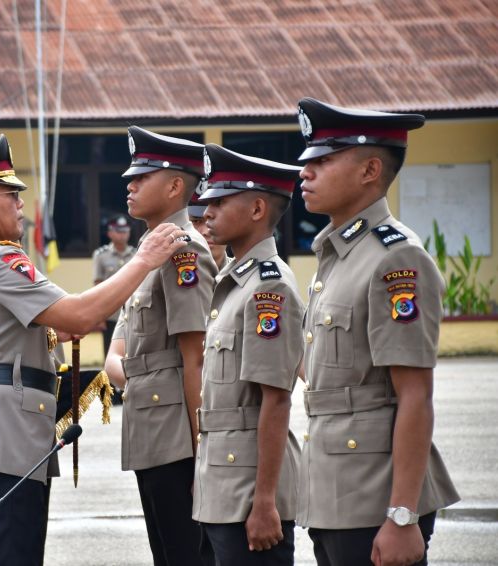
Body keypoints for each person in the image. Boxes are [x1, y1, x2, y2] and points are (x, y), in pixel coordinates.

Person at [0, 133, 189, 566]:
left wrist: (54, 330)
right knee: (11, 555)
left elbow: (3, 333)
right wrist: (144, 259)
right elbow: (79, 316)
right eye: (10, 194)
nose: (21, 203)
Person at [295, 97, 460, 566]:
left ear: (370, 170)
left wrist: (403, 515)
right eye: (308, 162)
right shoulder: (338, 256)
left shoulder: (395, 258)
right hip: (332, 489)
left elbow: (414, 394)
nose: (305, 173)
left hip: (374, 495)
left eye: (322, 162)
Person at [103, 126, 216, 566]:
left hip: (178, 441)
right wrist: (134, 372)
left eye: (141, 177)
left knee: (185, 554)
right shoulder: (150, 254)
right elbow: (118, 352)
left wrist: (202, 452)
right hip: (152, 430)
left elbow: (197, 359)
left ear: (174, 186)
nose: (129, 185)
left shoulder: (184, 251)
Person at [192, 144, 303, 565]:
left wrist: (265, 502)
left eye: (220, 202)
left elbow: (276, 399)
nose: (208, 213)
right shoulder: (236, 282)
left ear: (258, 208)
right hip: (221, 484)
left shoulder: (267, 288)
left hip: (247, 493)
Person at [92, 214, 136, 356]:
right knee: (110, 353)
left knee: (132, 352)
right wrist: (99, 315)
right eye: (118, 231)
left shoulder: (136, 254)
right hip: (110, 313)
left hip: (132, 311)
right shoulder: (101, 255)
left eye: (125, 231)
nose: (122, 235)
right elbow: (97, 285)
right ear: (110, 233)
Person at [188, 180, 229, 270]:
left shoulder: (249, 276)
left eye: (214, 219)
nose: (206, 231)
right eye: (196, 221)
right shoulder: (163, 271)